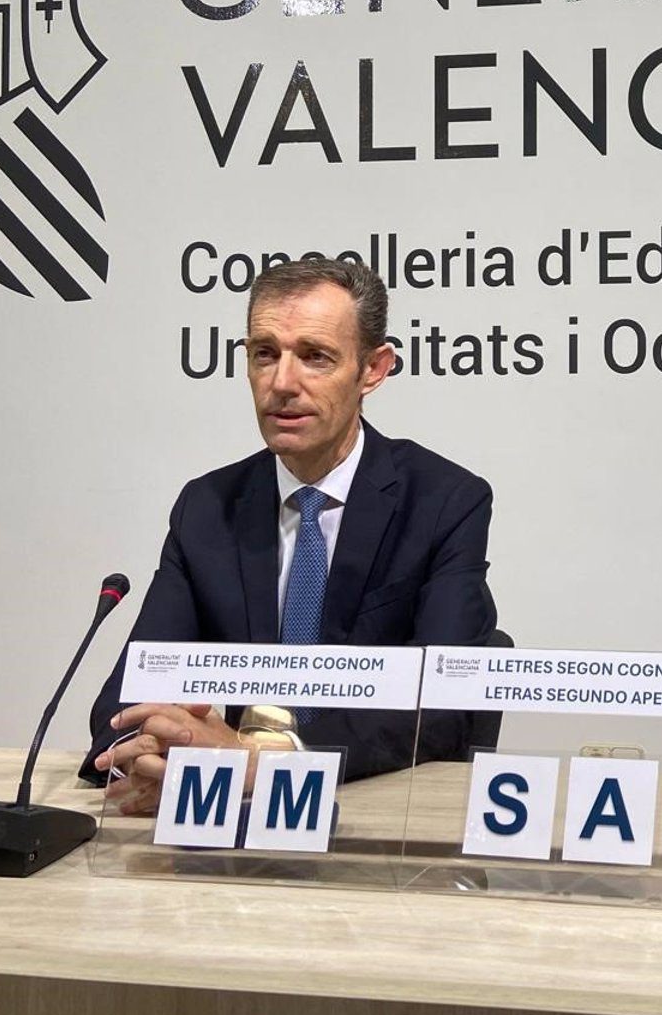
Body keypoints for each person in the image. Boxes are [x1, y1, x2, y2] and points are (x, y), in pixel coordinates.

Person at [82, 258, 498, 813]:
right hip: (221, 813)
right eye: (264, 354)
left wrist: (267, 762)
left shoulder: (443, 500)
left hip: (367, 811)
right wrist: (154, 752)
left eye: (315, 357)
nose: (281, 383)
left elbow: (444, 703)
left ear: (373, 370)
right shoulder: (207, 508)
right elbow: (135, 688)